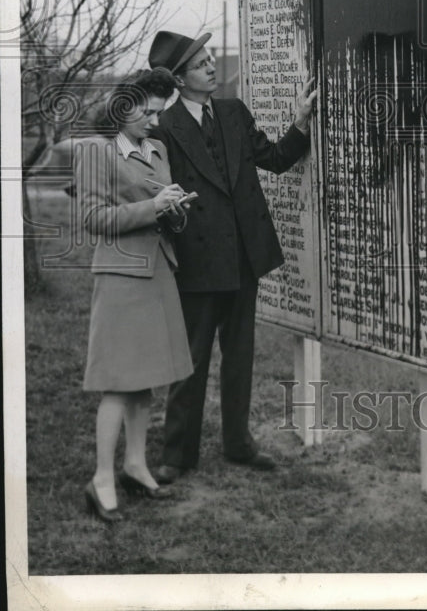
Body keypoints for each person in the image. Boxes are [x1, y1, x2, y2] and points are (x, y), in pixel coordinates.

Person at [147, 30, 316, 482]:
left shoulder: (232, 111)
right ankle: (177, 454)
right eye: (200, 63)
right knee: (192, 359)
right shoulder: (163, 130)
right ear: (180, 80)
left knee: (239, 354)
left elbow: (275, 158)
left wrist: (301, 123)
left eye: (210, 58)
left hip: (243, 257)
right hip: (197, 264)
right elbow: (157, 198)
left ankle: (238, 443)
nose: (211, 66)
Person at [75, 67, 194, 522]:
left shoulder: (157, 148)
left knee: (145, 381)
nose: (153, 121)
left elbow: (163, 212)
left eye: (159, 113)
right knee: (117, 386)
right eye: (146, 112)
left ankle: (135, 465)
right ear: (123, 107)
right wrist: (153, 207)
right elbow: (93, 218)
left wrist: (175, 208)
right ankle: (101, 479)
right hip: (122, 277)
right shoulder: (96, 154)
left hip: (158, 270)